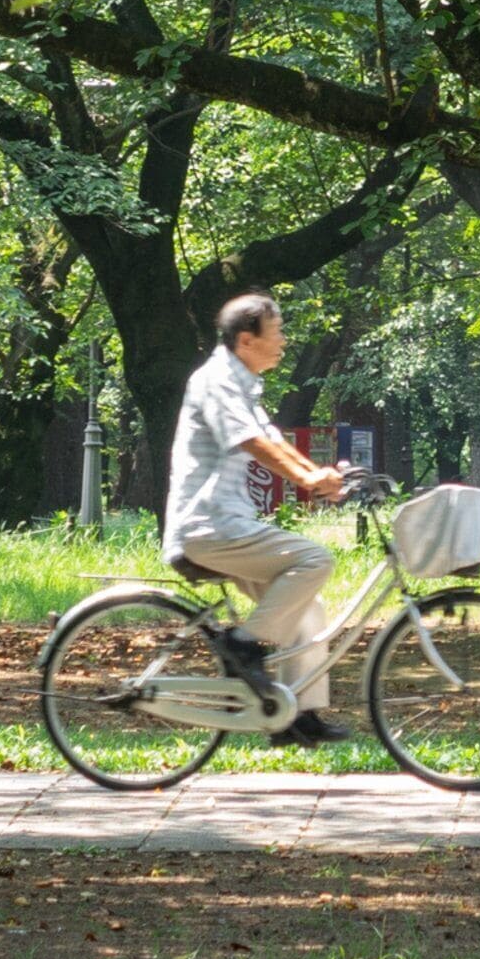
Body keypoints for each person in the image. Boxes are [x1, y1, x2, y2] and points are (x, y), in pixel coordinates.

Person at [164, 292, 352, 747]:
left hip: (227, 524)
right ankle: (241, 646)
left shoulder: (242, 382)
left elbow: (274, 440)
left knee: (308, 609)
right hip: (209, 526)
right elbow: (252, 442)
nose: (285, 340)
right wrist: (308, 479)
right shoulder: (216, 381)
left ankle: (295, 716)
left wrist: (316, 475)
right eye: (278, 331)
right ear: (247, 340)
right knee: (314, 561)